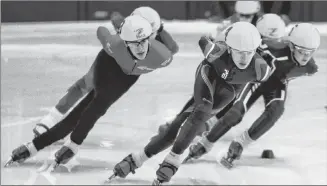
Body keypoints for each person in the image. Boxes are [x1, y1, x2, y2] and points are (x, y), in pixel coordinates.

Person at [5, 15, 175, 170]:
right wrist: (121, 23)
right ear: (125, 41)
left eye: (144, 41)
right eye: (135, 43)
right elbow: (102, 30)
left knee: (94, 108)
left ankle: (57, 145)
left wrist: (159, 28)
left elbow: (172, 48)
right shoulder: (114, 44)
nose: (140, 48)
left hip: (127, 79)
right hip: (107, 66)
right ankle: (45, 146)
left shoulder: (161, 55)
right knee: (89, 103)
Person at [110, 22, 271, 185]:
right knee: (202, 111)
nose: (244, 58)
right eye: (239, 53)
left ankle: (137, 159)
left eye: (248, 53)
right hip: (208, 75)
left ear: (256, 50)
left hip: (229, 91)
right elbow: (203, 41)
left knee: (178, 127)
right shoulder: (216, 53)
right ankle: (172, 160)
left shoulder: (261, 70)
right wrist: (211, 38)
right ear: (229, 49)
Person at [185, 19, 320, 169]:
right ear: (290, 45)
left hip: (276, 84)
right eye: (301, 51)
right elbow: (244, 46)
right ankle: (205, 143)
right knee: (235, 114)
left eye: (310, 52)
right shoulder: (273, 48)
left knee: (276, 110)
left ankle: (241, 143)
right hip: (255, 80)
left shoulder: (311, 67)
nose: (305, 57)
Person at [32, 6, 179, 137]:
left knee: (98, 100)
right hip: (109, 60)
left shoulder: (158, 39)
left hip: (127, 74)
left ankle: (67, 125)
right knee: (86, 84)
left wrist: (159, 29)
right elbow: (115, 17)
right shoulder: (127, 28)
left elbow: (173, 49)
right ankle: (51, 118)